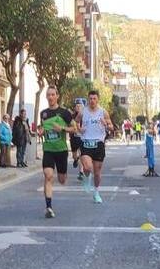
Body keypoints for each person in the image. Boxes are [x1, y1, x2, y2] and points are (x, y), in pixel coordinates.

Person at [39, 86, 77, 218]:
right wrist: (41, 132)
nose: (50, 97)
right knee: (48, 175)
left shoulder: (64, 112)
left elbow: (74, 128)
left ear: (57, 96)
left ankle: (62, 174)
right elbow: (43, 128)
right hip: (48, 150)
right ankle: (48, 207)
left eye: (53, 94)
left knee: (62, 180)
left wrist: (62, 128)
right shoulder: (43, 113)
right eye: (48, 95)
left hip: (61, 150)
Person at [77, 89, 114, 204]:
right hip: (86, 142)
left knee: (97, 173)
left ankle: (96, 192)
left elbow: (111, 127)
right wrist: (79, 128)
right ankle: (87, 177)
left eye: (94, 99)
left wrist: (106, 125)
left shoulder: (103, 112)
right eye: (90, 99)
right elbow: (75, 121)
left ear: (98, 100)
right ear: (88, 99)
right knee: (87, 167)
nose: (92, 101)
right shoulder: (83, 112)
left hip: (98, 144)